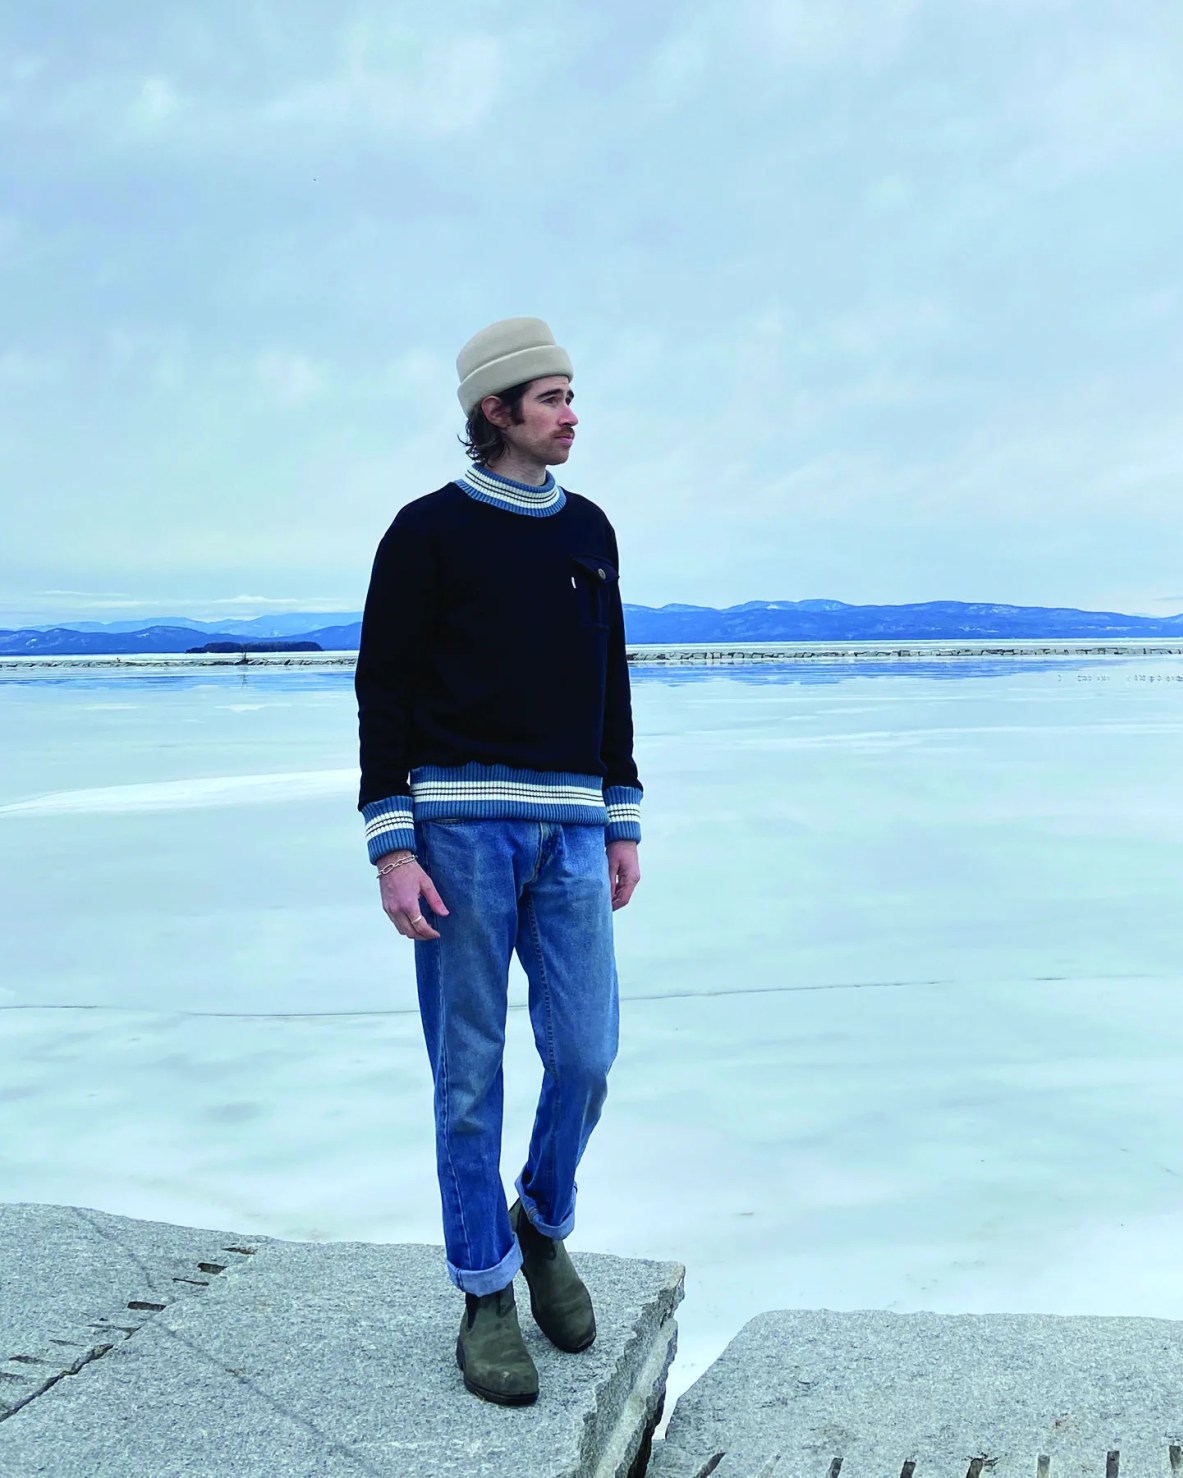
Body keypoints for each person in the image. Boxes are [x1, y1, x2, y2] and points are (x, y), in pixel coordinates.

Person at [354, 317, 643, 1406]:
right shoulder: (427, 531)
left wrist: (620, 816)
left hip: (571, 829)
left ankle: (542, 1219)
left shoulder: (591, 530)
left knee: (585, 1053)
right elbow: (382, 687)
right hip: (459, 833)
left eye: (572, 394)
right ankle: (484, 1289)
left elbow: (610, 678)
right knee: (467, 1075)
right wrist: (392, 842)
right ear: (497, 410)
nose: (572, 413)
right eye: (553, 396)